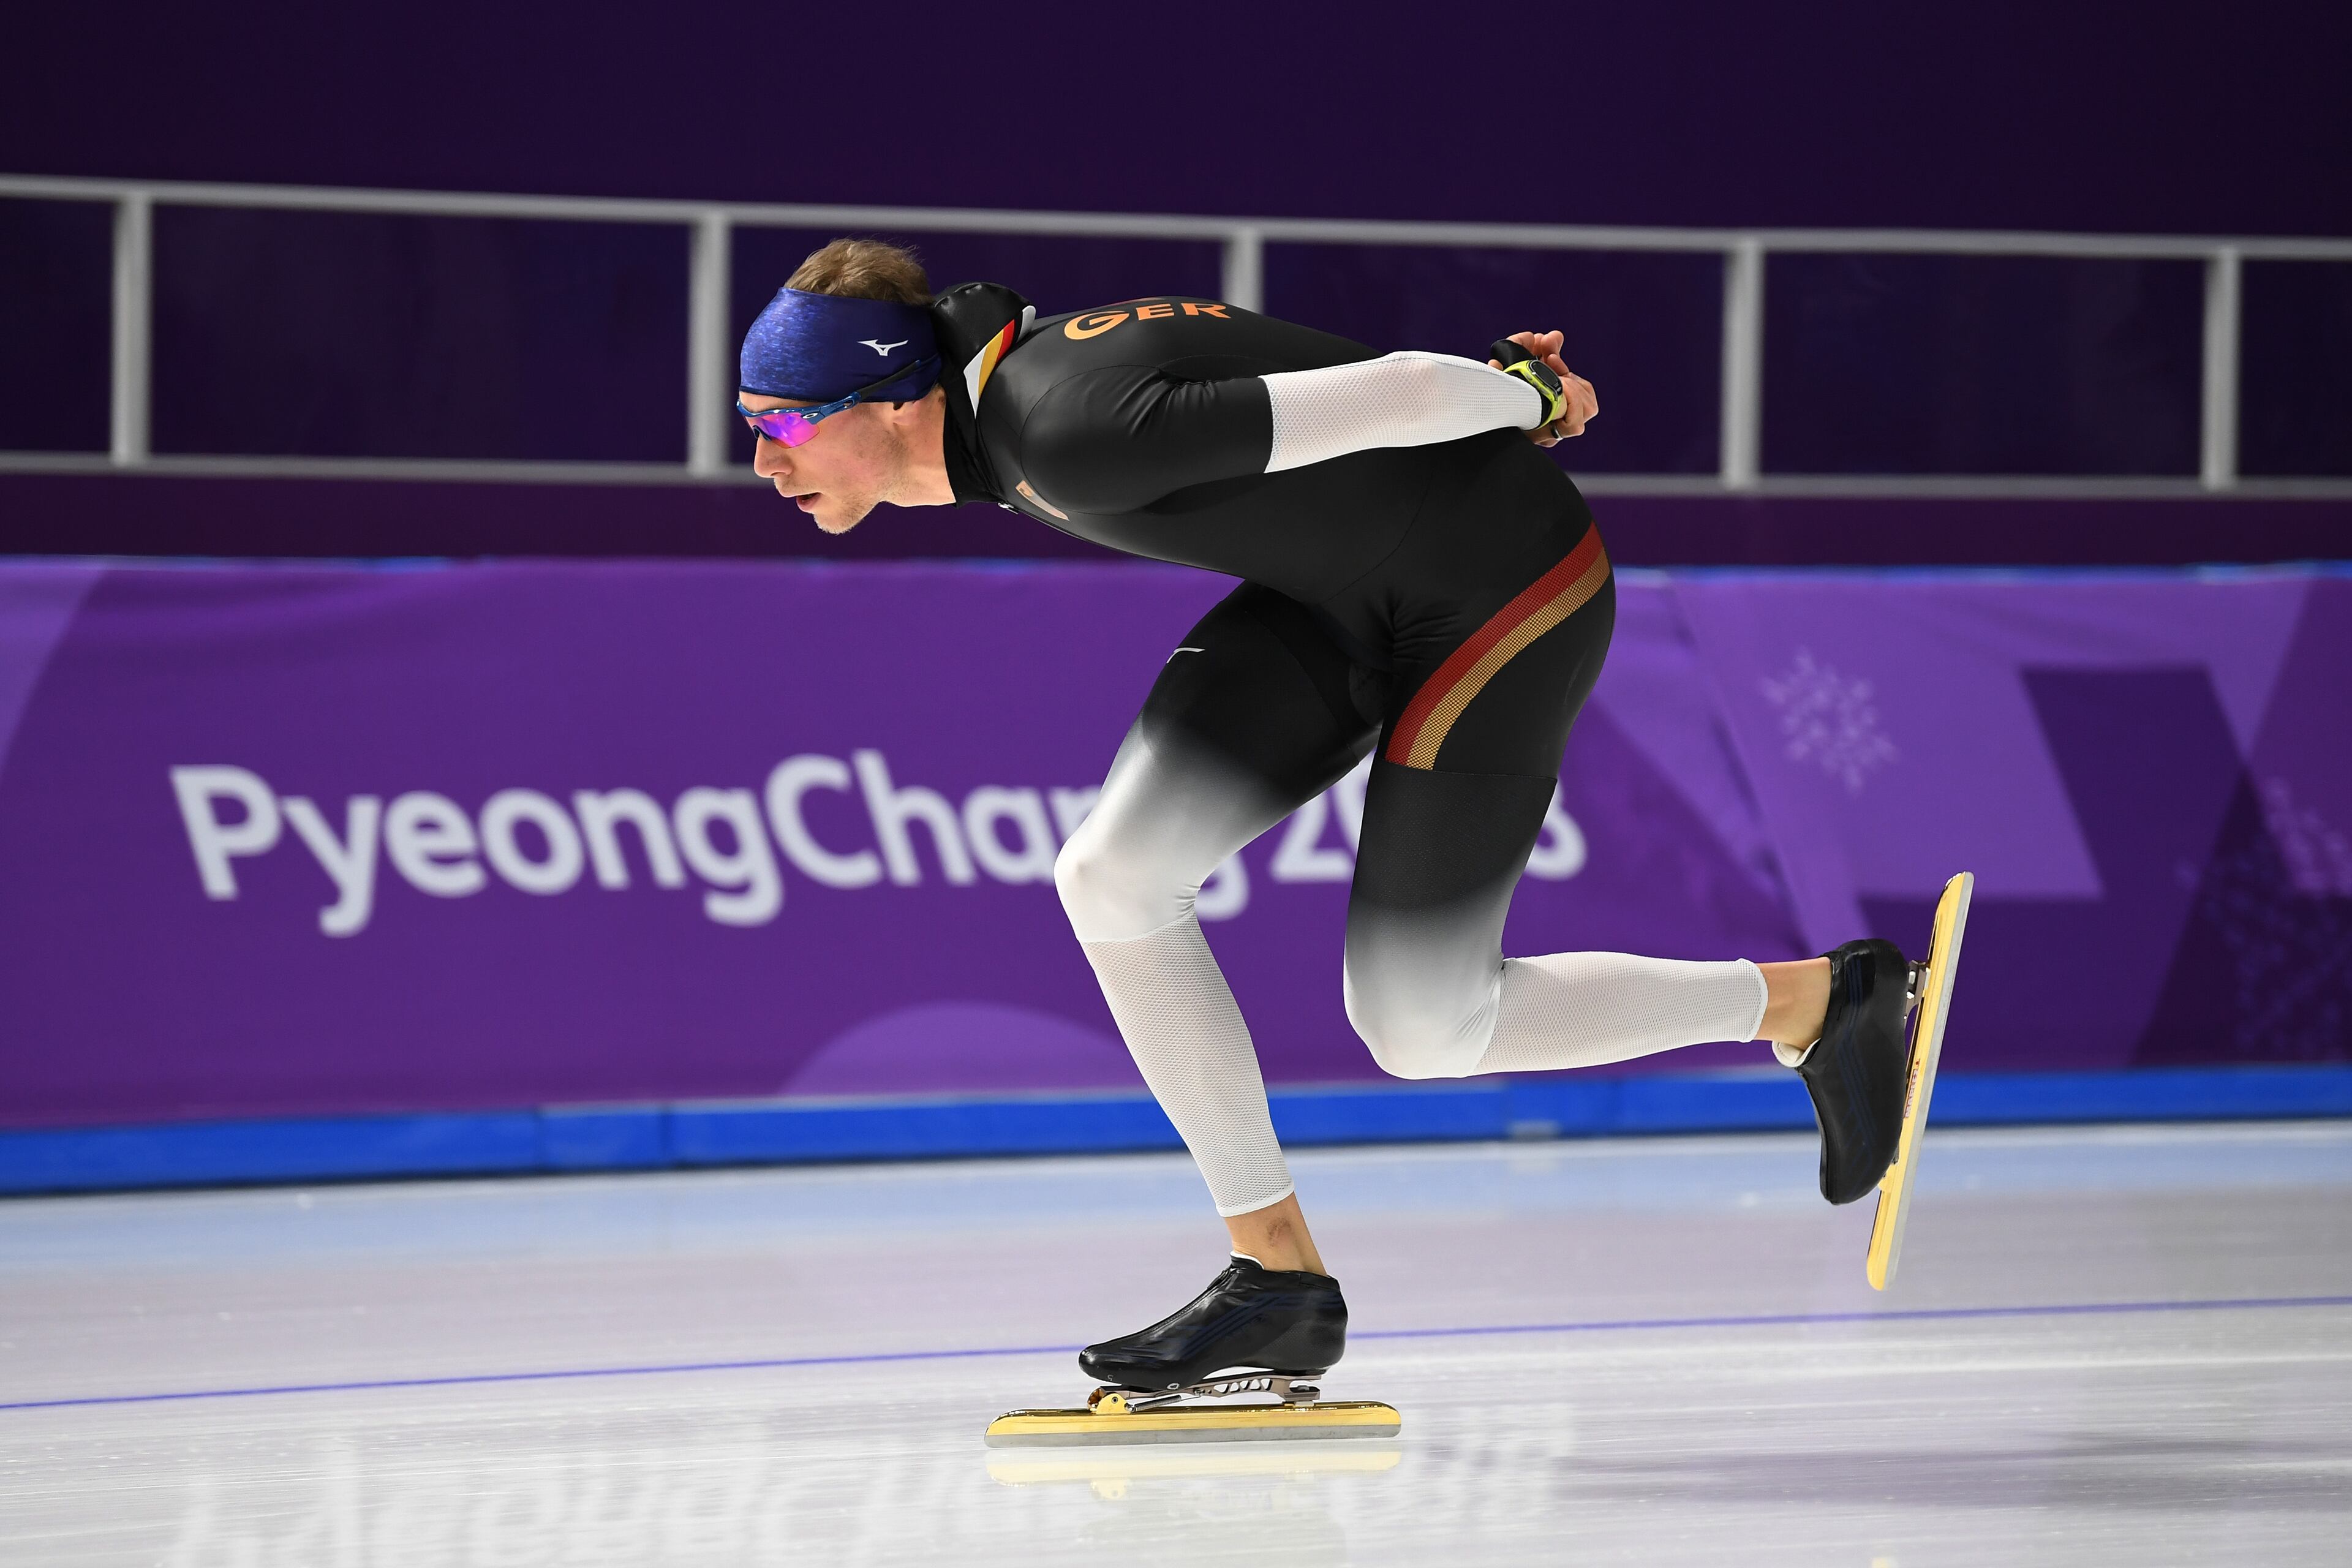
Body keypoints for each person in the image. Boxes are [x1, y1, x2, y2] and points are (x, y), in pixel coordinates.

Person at [736, 238, 1924, 1400]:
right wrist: (1507, 379)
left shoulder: (1060, 429)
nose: (764, 458)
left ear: (894, 398)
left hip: (1500, 585)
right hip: (1344, 591)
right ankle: (1276, 1279)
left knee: (1422, 1024)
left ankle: (1820, 1000)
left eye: (784, 422)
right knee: (1112, 876)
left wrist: (1523, 390)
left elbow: (1401, 389)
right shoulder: (1019, 401)